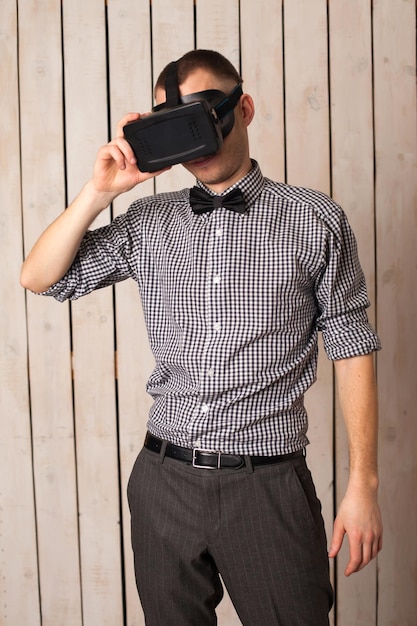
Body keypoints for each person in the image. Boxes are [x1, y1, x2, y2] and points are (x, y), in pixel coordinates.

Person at [20, 49, 383, 625]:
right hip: (163, 482)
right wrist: (100, 193)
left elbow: (351, 346)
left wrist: (362, 485)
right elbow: (38, 277)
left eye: (208, 113)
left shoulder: (316, 220)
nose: (201, 136)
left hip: (266, 486)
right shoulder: (148, 223)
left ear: (245, 108)